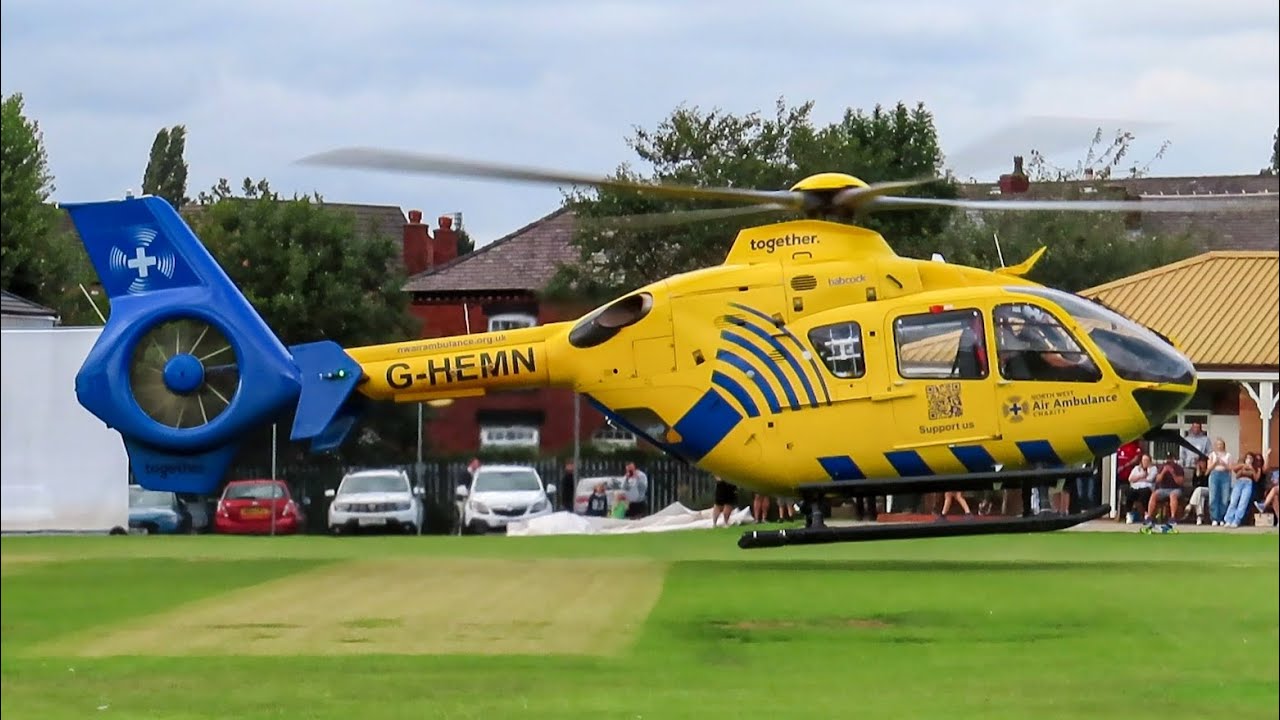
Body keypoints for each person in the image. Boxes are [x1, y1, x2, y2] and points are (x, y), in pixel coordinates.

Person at [1143, 453, 1184, 527]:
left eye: (1170, 459)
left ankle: (1172, 517)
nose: (1168, 461)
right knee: (1154, 494)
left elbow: (1180, 482)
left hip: (1175, 489)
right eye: (1167, 459)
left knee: (1173, 495)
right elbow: (1157, 480)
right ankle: (1149, 517)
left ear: (1173, 459)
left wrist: (1173, 473)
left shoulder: (1179, 468)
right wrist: (1163, 472)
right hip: (1163, 489)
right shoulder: (1162, 467)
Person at [1223, 452, 1259, 528]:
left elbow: (1256, 478)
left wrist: (1252, 469)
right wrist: (1243, 467)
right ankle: (1228, 520)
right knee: (1233, 501)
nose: (1249, 460)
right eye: (1247, 458)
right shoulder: (1241, 465)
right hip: (1239, 482)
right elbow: (1236, 473)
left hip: (1248, 483)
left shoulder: (1255, 468)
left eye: (1251, 458)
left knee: (1243, 502)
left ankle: (1236, 520)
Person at [1206, 438, 1234, 526]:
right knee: (1213, 497)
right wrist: (1215, 463)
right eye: (1218, 444)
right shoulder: (1212, 455)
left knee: (1224, 498)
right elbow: (1208, 470)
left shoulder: (1228, 455)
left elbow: (1231, 468)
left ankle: (1222, 518)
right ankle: (1214, 518)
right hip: (1214, 475)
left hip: (1225, 475)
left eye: (1221, 444)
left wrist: (1223, 463)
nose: (1219, 446)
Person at [1124, 454, 1157, 522]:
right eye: (1144, 460)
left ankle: (1146, 514)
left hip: (1147, 488)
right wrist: (1141, 476)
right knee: (1129, 492)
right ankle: (1129, 514)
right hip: (1135, 488)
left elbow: (1150, 479)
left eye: (1147, 460)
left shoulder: (1153, 469)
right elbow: (1130, 479)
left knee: (1144, 493)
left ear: (1150, 461)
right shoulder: (1136, 468)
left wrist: (1136, 479)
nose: (1145, 462)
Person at [1181, 457, 1211, 525]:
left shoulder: (1209, 471)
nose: (1201, 464)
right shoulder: (1196, 472)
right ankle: (1199, 517)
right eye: (1200, 462)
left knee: (1199, 489)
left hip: (1208, 490)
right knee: (1200, 498)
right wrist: (1198, 473)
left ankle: (1190, 505)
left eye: (1203, 462)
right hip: (1199, 493)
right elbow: (1194, 484)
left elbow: (1206, 483)